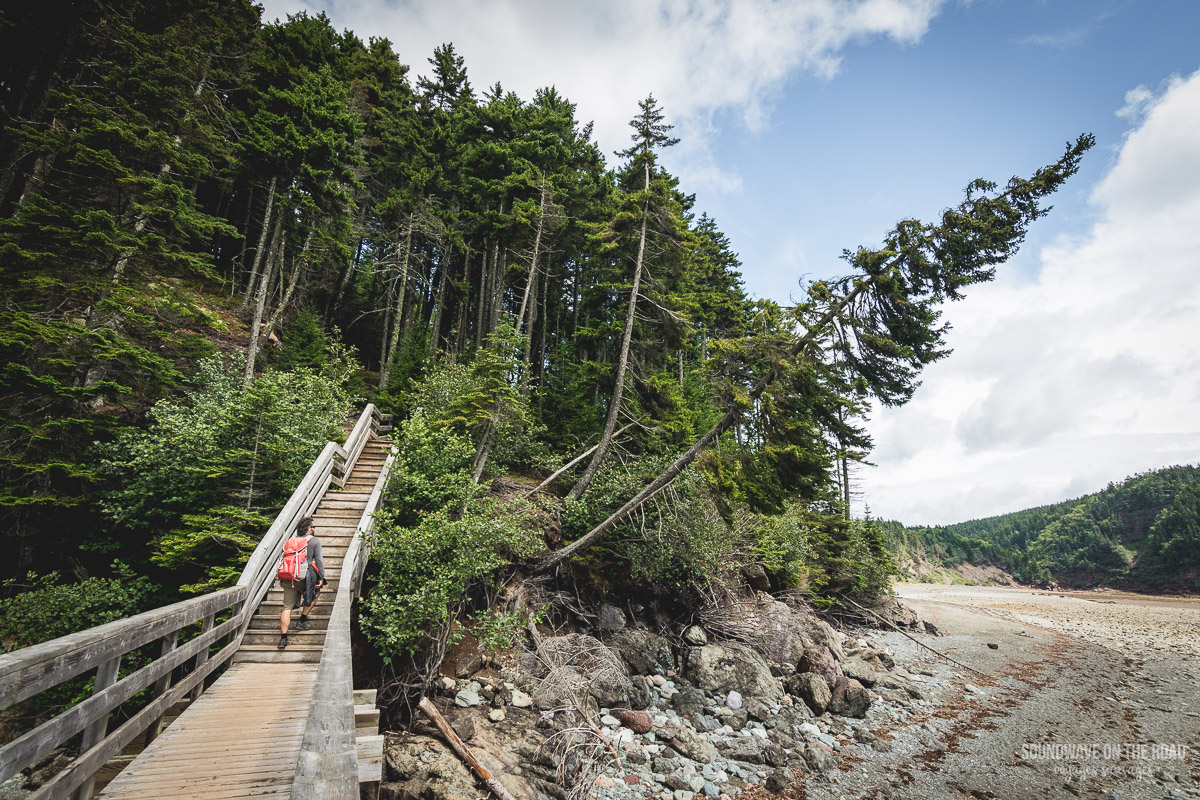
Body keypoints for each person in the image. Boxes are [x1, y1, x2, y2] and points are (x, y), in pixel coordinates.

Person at [278, 517, 326, 649]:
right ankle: (302, 620)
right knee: (315, 594)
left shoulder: (290, 541)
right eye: (313, 527)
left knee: (286, 607)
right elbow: (319, 561)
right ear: (308, 529)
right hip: (306, 577)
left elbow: (285, 560)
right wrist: (321, 577)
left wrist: (282, 579)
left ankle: (283, 638)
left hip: (289, 577)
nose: (314, 529)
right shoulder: (314, 541)